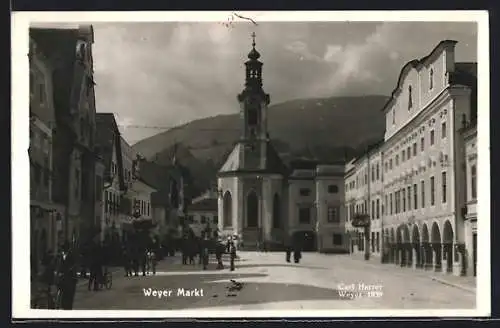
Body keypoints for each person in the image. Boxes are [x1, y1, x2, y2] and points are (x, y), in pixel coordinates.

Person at [58, 242, 78, 310]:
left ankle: (67, 307)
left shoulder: (70, 255)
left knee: (68, 295)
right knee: (67, 294)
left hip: (69, 278)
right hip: (68, 279)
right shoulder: (65, 255)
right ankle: (66, 307)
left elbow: (73, 266)